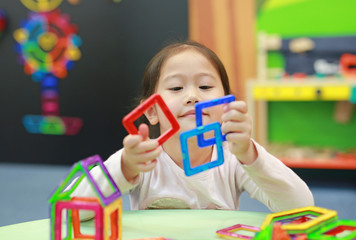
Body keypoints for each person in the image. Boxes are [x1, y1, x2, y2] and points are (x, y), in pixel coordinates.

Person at [73, 41, 314, 219]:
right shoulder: (142, 160)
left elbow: (302, 206)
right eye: (176, 87)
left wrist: (249, 154)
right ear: (152, 111)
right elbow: (73, 209)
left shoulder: (233, 157)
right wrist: (124, 168)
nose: (192, 96)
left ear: (225, 105)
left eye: (206, 86)